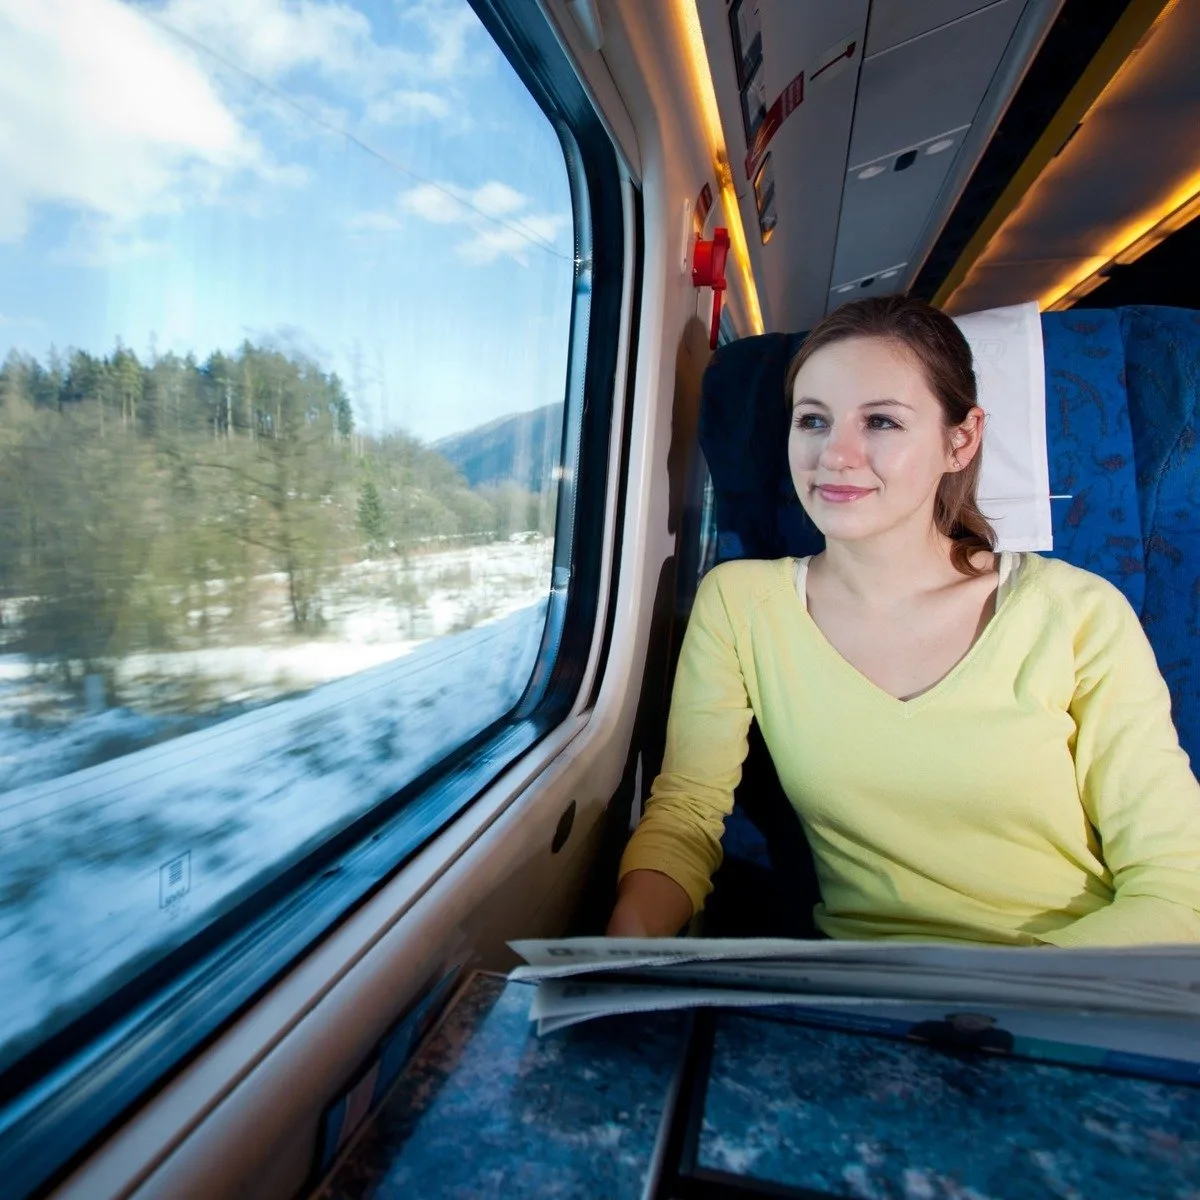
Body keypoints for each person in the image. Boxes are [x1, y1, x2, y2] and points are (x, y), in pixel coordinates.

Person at [608, 295, 1200, 945]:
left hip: (1073, 988)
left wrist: (979, 1006)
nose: (835, 454)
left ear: (960, 440)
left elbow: (1176, 888)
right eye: (813, 420)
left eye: (882, 423)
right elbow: (688, 818)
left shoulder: (1075, 612)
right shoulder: (741, 605)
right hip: (864, 1000)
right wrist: (617, 951)